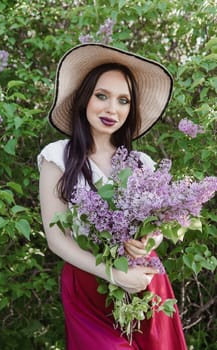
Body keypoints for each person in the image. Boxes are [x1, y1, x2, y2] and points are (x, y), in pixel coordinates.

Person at [38, 43, 187, 350]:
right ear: (84, 98)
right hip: (87, 284)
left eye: (123, 101)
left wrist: (148, 241)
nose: (112, 109)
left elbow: (156, 228)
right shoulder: (57, 158)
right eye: (102, 96)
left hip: (144, 281)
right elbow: (56, 240)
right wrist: (115, 275)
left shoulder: (142, 163)